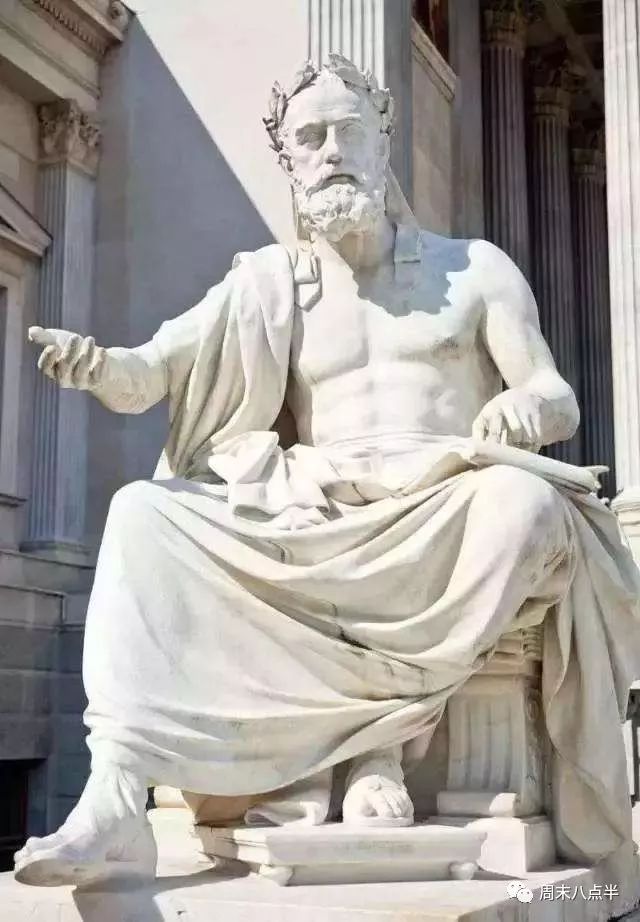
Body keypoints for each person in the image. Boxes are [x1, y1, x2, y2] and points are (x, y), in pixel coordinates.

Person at [14, 54, 640, 887]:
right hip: (315, 504)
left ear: (385, 141)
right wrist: (96, 365)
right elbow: (151, 370)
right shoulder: (269, 283)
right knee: (141, 513)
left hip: (445, 497)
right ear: (290, 161)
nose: (333, 150)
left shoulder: (474, 270)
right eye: (311, 137)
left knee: (523, 505)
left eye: (350, 131)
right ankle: (118, 790)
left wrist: (527, 408)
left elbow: (554, 394)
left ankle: (375, 746)